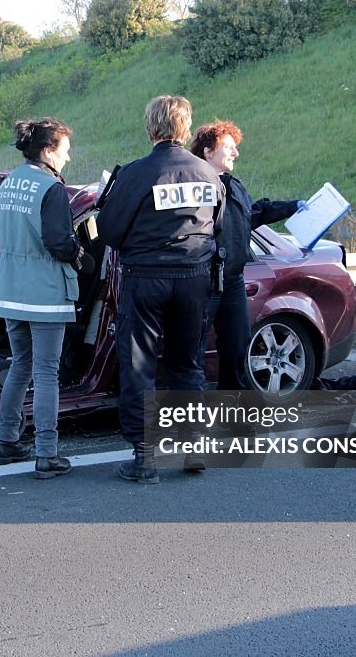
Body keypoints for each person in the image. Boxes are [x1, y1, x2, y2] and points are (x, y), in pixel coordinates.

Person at [96, 95, 225, 483]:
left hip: (146, 279)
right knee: (188, 365)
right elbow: (218, 226)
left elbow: (109, 230)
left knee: (140, 366)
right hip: (195, 280)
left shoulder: (136, 174)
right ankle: (193, 448)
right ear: (185, 128)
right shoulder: (209, 174)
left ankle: (145, 456)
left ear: (151, 127)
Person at [0, 117, 83, 478]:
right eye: (65, 150)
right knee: (46, 373)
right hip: (45, 293)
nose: (68, 158)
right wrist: (78, 253)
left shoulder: (8, 183)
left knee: (19, 365)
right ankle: (47, 453)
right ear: (48, 150)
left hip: (11, 290)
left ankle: (7, 441)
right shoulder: (51, 188)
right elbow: (59, 243)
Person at [188, 121, 299, 416]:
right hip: (202, 281)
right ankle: (194, 422)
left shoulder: (232, 184)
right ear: (208, 151)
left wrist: (295, 206)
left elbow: (254, 214)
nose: (236, 152)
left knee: (237, 350)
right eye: (228, 146)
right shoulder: (194, 186)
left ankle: (234, 415)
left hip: (233, 281)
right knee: (193, 355)